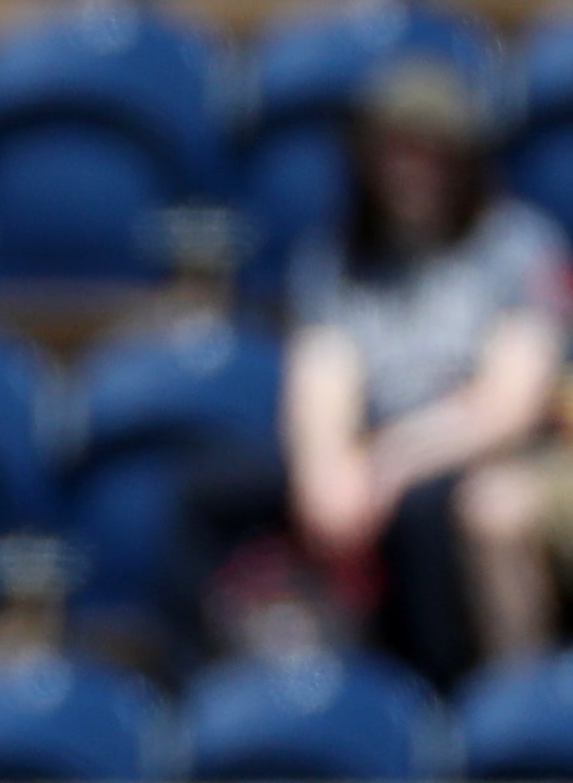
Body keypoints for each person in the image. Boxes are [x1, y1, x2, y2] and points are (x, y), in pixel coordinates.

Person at [180, 57, 570, 680]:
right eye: (394, 150)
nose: (409, 169)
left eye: (428, 151)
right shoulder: (336, 259)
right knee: (208, 492)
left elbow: (507, 405)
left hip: (466, 446)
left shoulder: (516, 247)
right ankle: (204, 696)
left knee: (428, 508)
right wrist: (325, 470)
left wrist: (389, 462)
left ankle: (434, 697)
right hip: (365, 449)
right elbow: (321, 376)